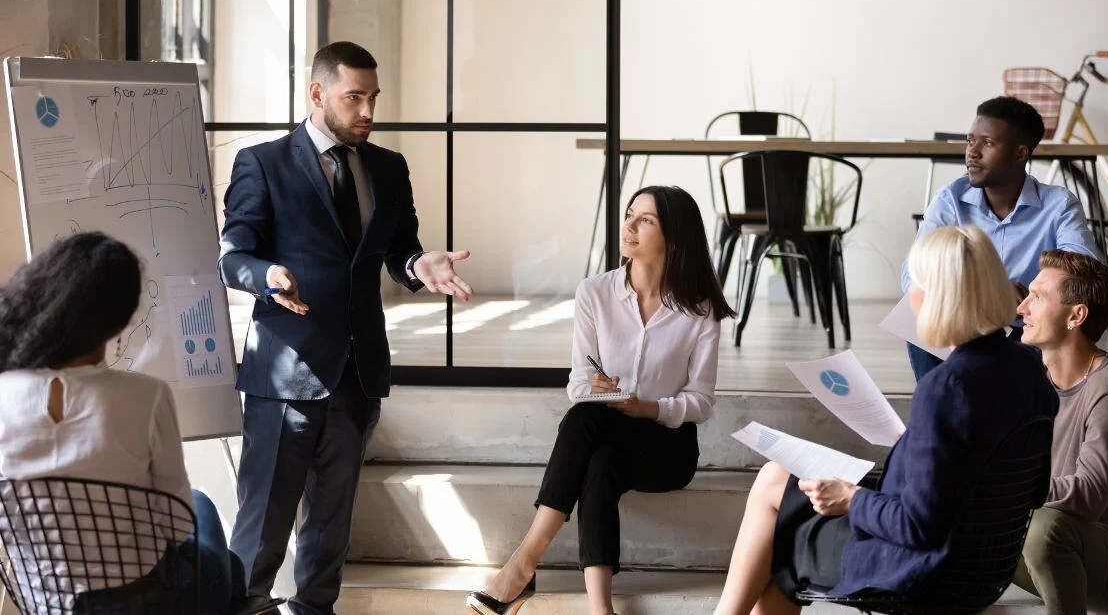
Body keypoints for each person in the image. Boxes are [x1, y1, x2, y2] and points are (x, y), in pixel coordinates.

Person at [218, 41, 474, 615]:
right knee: (262, 527)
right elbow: (231, 256)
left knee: (330, 529)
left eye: (372, 97)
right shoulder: (263, 162)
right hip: (286, 371)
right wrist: (267, 275)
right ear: (317, 94)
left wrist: (419, 265)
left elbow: (400, 251)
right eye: (353, 97)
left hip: (357, 372)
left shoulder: (388, 166)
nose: (367, 111)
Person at [713, 225, 1057, 615]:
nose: (908, 293)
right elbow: (1033, 491)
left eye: (915, 282)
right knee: (776, 475)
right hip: (984, 564)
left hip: (921, 568)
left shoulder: (946, 386)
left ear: (936, 295)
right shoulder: (1031, 370)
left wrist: (852, 498)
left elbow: (918, 526)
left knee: (779, 537)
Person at [466, 186, 734, 615]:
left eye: (645, 220)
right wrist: (602, 389)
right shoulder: (595, 293)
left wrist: (648, 406)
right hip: (608, 426)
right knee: (598, 456)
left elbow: (701, 401)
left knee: (585, 425)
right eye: (629, 214)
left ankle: (522, 565)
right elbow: (577, 385)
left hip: (667, 447)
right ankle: (600, 609)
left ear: (675, 237)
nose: (628, 225)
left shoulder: (699, 310)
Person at [0, 231, 245, 614]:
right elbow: (177, 527)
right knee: (209, 521)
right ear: (117, 324)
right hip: (145, 600)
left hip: (46, 603)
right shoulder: (146, 396)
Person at [903, 96, 1099, 380]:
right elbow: (914, 275)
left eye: (988, 143)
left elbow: (1083, 272)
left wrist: (1031, 296)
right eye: (971, 141)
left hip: (1028, 329)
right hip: (964, 325)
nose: (972, 152)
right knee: (913, 314)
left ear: (1020, 153)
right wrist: (991, 293)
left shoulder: (1058, 205)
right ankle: (939, 406)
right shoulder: (950, 200)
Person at [1012, 249, 1108, 614]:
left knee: (1044, 530)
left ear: (1076, 315)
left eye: (1037, 297)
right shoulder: (1029, 381)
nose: (1021, 308)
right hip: (1054, 547)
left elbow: (1089, 496)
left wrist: (1007, 485)